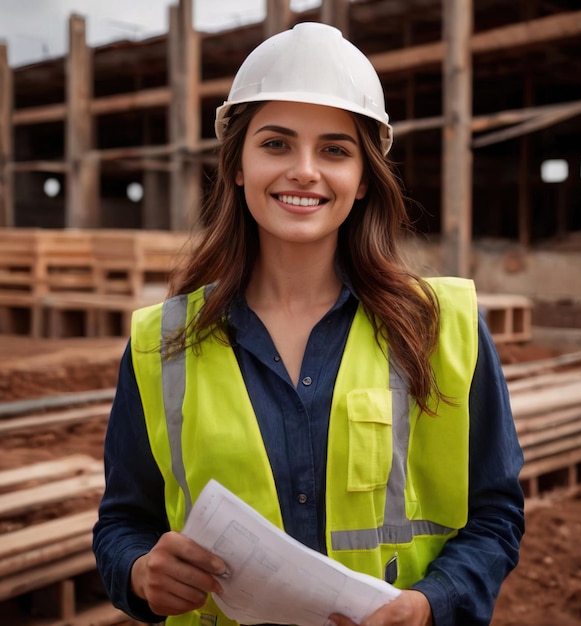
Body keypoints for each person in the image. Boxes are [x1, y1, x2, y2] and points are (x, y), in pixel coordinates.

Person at [93, 21, 524, 626]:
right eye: (275, 144)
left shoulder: (444, 328)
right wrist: (140, 572)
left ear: (365, 177)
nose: (304, 170)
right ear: (238, 165)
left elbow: (496, 515)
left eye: (334, 150)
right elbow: (123, 523)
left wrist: (429, 605)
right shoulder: (160, 344)